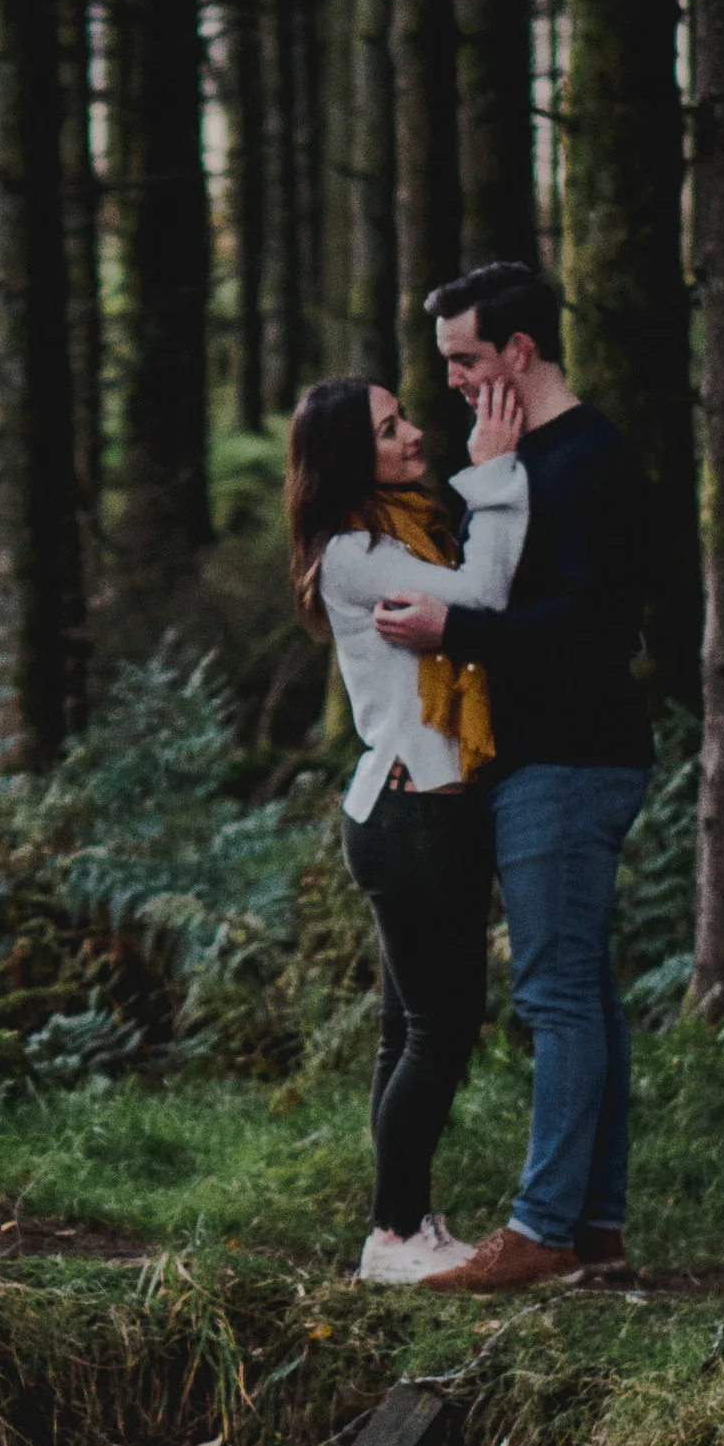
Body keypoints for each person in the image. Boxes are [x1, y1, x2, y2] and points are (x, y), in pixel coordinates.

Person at [373, 261, 651, 1292]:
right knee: (584, 995)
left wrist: (459, 630)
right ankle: (593, 1228)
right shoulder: (524, 455)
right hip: (543, 758)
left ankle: (539, 1232)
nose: (448, 380)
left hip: (573, 760)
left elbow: (594, 628)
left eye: (465, 358)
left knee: (556, 997)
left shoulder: (588, 462)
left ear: (520, 353)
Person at [285, 368, 528, 1286]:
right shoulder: (357, 552)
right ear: (353, 457)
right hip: (412, 814)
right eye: (391, 432)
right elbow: (485, 596)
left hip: (409, 809)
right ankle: (393, 1235)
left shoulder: (400, 532)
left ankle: (400, 1224)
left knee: (408, 1032)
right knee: (440, 1028)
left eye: (405, 420)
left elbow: (461, 593)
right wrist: (497, 473)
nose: (415, 436)